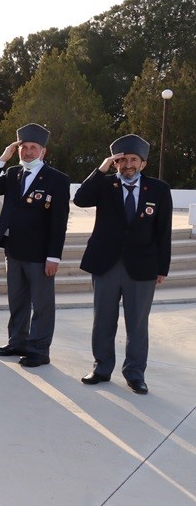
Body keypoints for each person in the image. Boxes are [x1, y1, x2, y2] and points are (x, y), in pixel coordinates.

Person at [74, 134, 172, 394]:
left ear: (143, 164)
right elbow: (80, 199)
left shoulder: (159, 190)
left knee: (137, 323)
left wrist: (162, 268)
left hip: (142, 266)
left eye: (133, 160)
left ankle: (135, 373)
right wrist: (103, 166)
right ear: (116, 162)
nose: (127, 164)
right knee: (103, 319)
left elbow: (164, 231)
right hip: (106, 263)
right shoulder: (105, 185)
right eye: (122, 159)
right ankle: (102, 367)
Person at [0, 123, 70, 368]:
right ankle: (18, 342)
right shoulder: (12, 173)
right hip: (14, 250)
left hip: (40, 254)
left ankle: (39, 350)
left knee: (41, 305)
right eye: (23, 147)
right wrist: (2, 158)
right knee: (17, 301)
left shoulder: (57, 179)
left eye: (33, 147)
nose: (28, 152)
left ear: (43, 151)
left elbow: (59, 221)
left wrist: (54, 256)